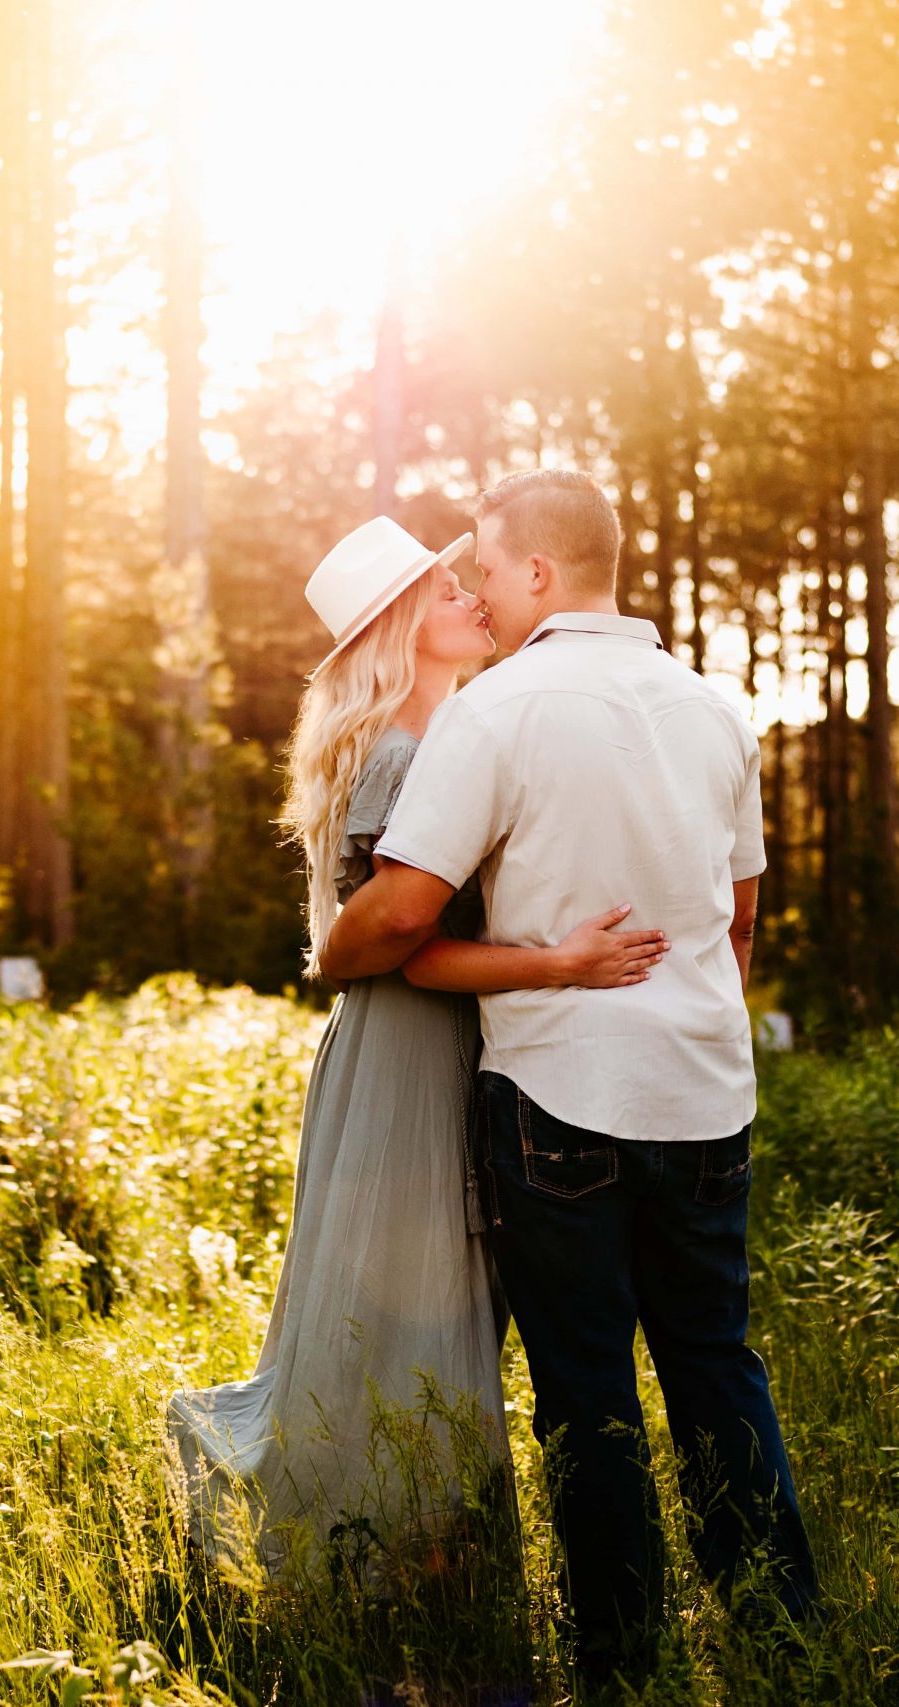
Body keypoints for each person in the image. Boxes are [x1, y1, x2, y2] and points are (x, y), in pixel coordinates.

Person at [320, 470, 821, 1687]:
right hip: (708, 1097)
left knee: (586, 1388)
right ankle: (784, 1643)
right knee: (716, 1368)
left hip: (557, 1106)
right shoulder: (713, 711)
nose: (480, 590)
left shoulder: (497, 712)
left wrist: (338, 951)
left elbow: (396, 911)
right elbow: (739, 922)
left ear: (538, 572)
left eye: (486, 566)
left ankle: (620, 1667)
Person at [166, 514, 670, 1585]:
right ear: (400, 631)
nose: (474, 602)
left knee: (418, 1296)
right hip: (410, 1046)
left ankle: (410, 1545)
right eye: (448, 595)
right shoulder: (403, 754)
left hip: (422, 1041)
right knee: (403, 1299)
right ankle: (394, 1557)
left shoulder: (434, 737)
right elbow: (401, 943)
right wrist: (560, 962)